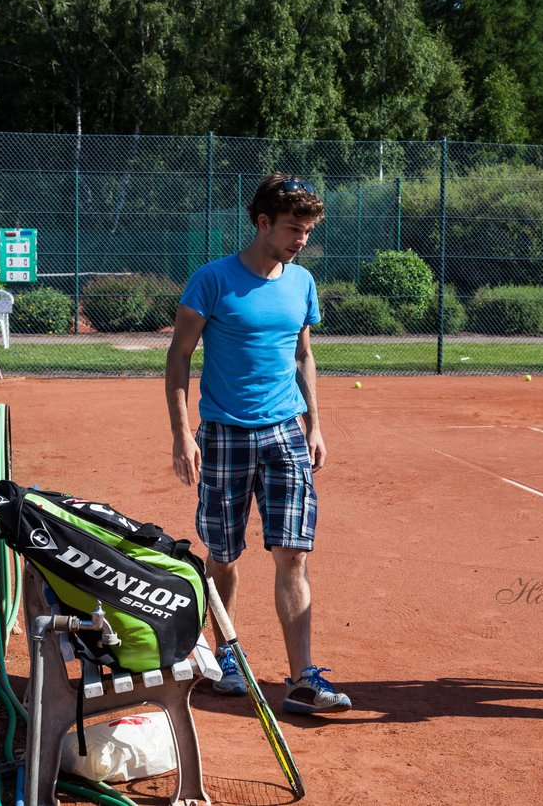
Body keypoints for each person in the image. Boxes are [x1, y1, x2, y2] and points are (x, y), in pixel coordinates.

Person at [165, 173, 350, 714]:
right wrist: (181, 433)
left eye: (309, 230)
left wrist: (314, 424)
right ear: (263, 222)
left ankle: (302, 678)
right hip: (222, 434)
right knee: (222, 555)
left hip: (285, 433)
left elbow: (303, 355)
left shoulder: (302, 283)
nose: (302, 240)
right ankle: (226, 656)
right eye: (294, 228)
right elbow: (178, 357)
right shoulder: (212, 280)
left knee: (293, 552)